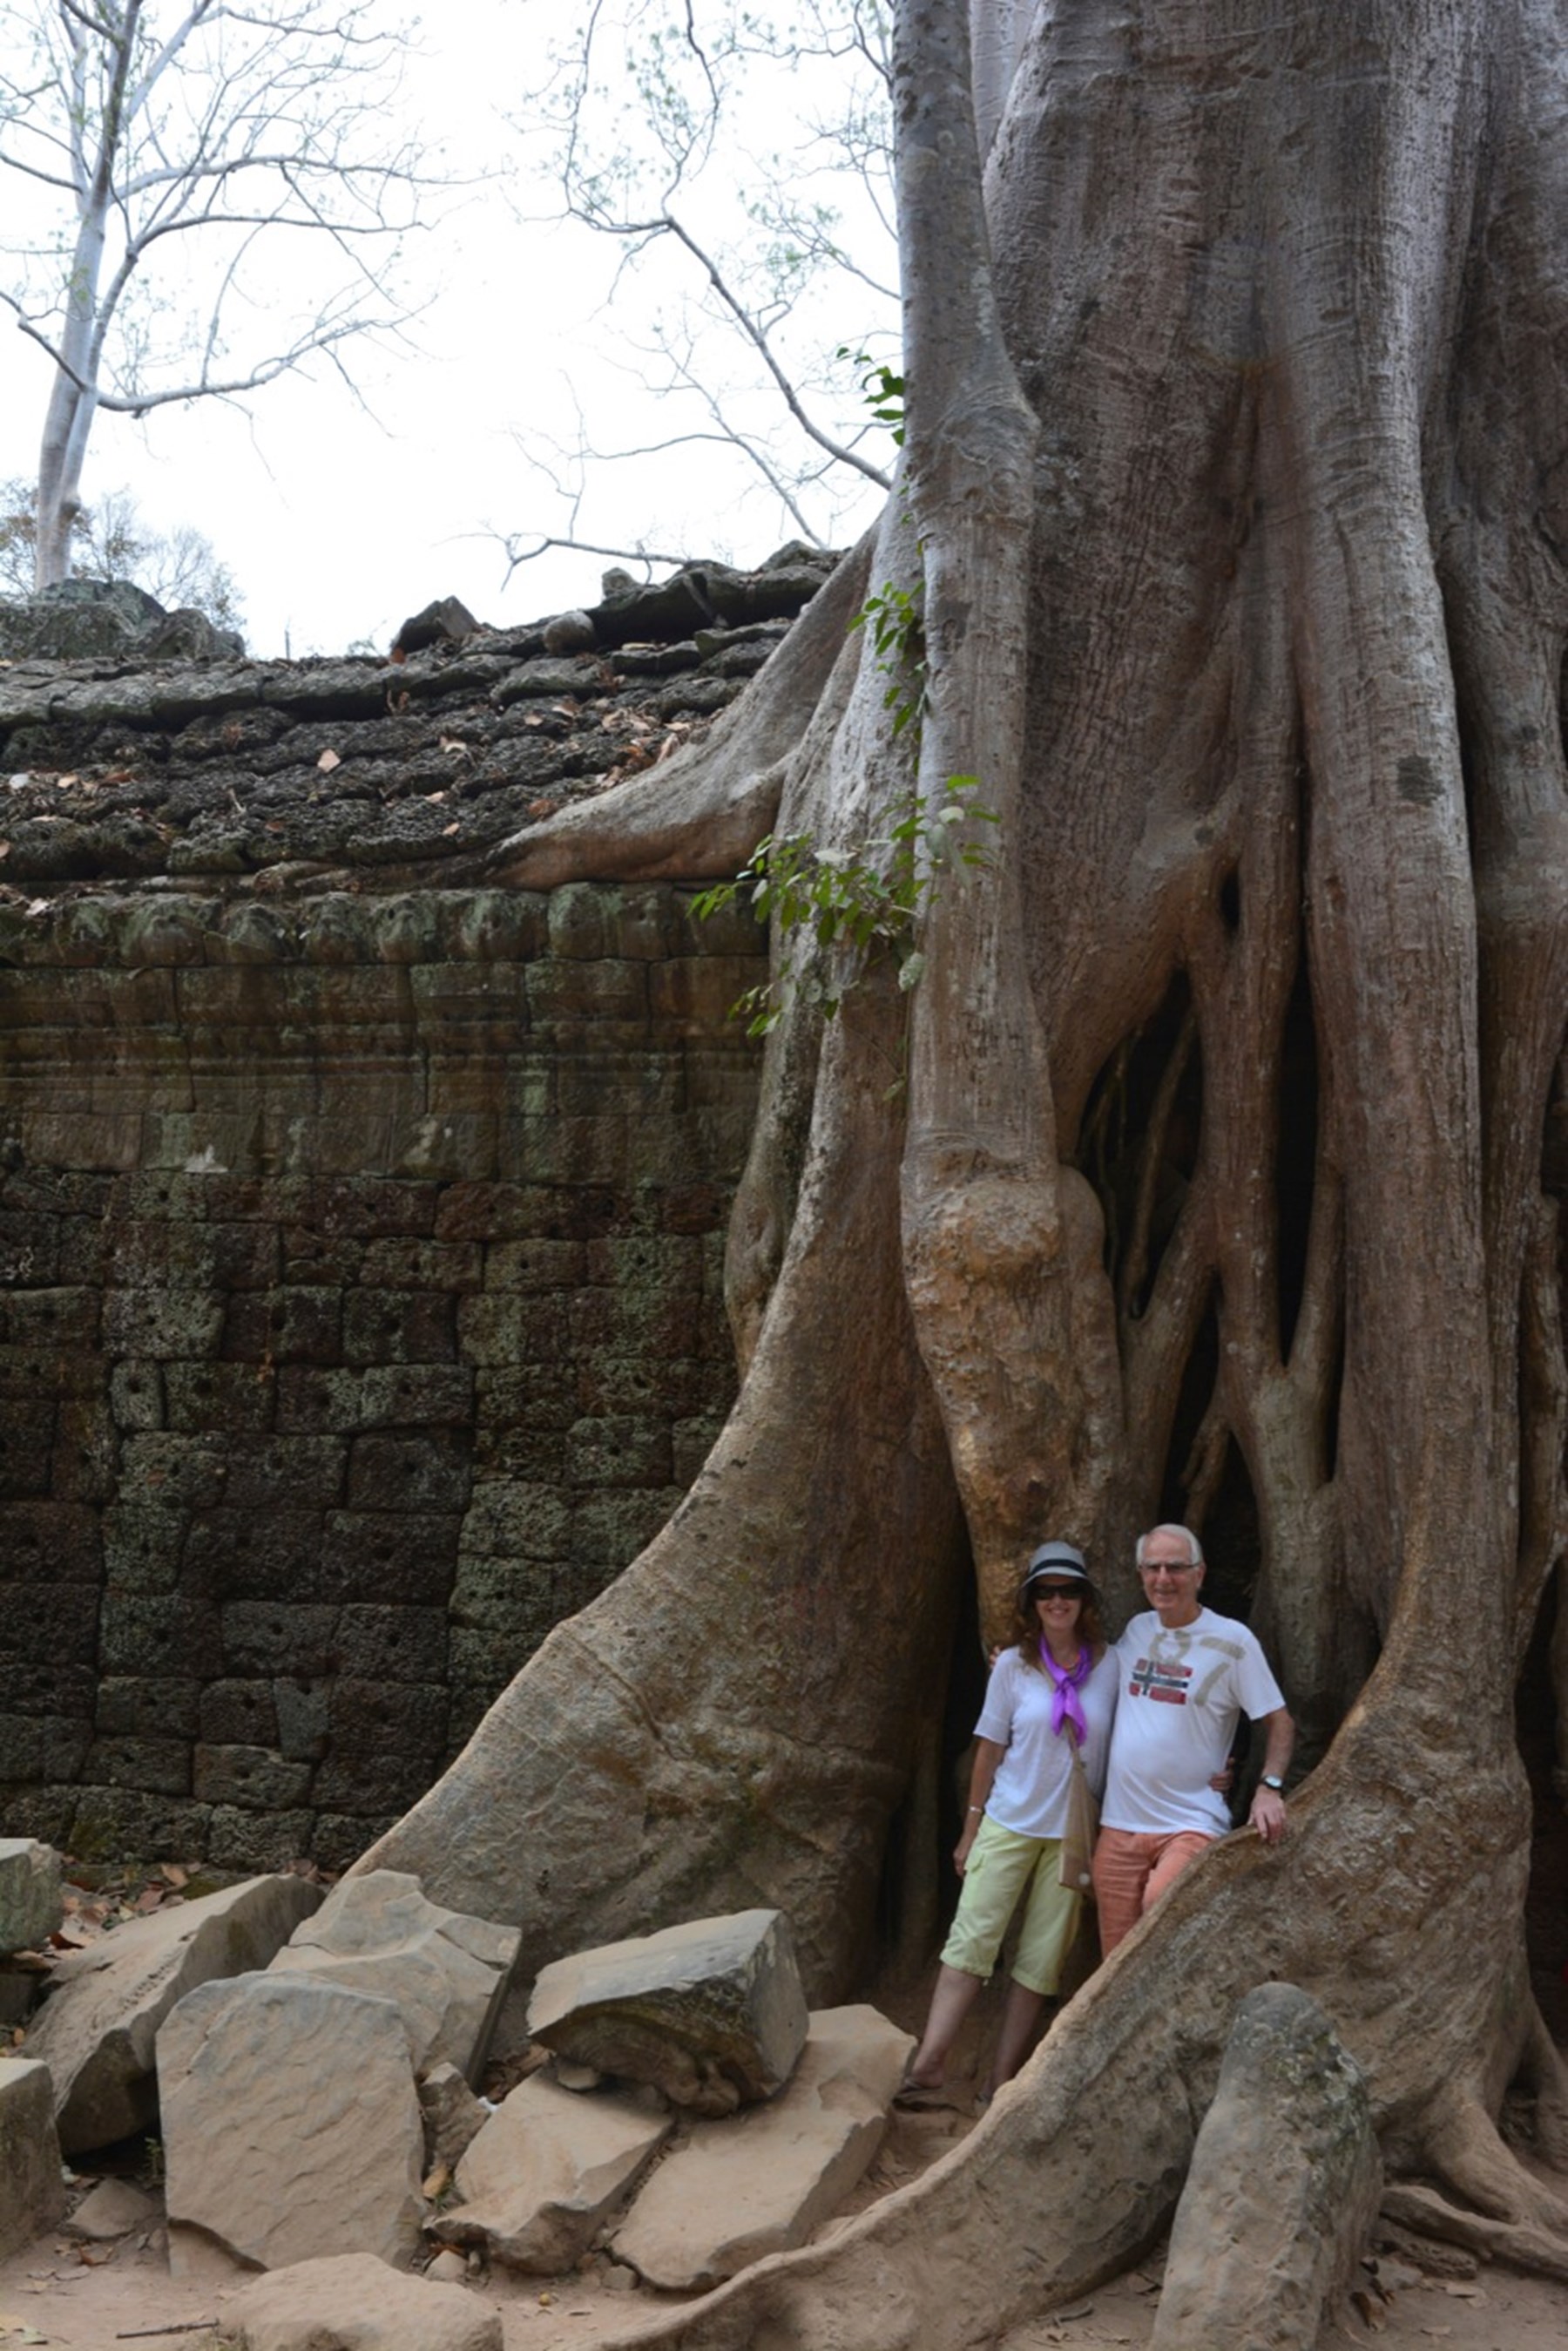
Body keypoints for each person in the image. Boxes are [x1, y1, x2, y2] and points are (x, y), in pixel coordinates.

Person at [898, 1539, 1118, 2110]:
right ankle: (931, 2062)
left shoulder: (1110, 1666)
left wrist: (1222, 1770)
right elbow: (988, 1751)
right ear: (1031, 1602)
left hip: (1070, 1835)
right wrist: (971, 1828)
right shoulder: (1014, 1668)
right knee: (971, 1939)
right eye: (1046, 1592)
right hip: (1009, 1821)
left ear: (1085, 1599)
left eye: (1069, 1590)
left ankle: (1000, 2082)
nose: (1058, 1601)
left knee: (1040, 1961)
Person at [1092, 1521, 1294, 1955]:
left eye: (1176, 1568)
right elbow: (1082, 1674)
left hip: (1191, 1821)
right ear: (1141, 1574)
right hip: (1121, 1824)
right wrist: (1017, 1660)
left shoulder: (1233, 1642)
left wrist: (1268, 1787)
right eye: (1153, 1568)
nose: (1163, 1579)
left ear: (1199, 1575)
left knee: (1160, 1908)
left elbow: (1278, 1721)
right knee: (1114, 1960)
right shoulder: (1137, 1631)